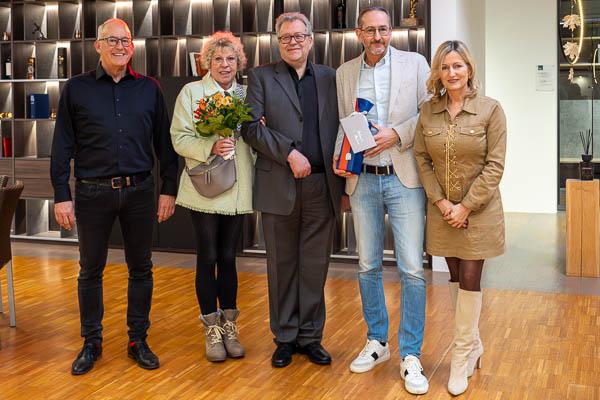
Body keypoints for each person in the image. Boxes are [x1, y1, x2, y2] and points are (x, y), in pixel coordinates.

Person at [50, 18, 178, 375]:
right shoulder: (76, 89)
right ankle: (92, 342)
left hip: (139, 191)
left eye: (126, 41)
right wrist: (62, 194)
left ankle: (138, 339)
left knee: (141, 269)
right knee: (90, 270)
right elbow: (62, 147)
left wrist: (170, 188)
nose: (121, 46)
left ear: (132, 46)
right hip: (91, 193)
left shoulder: (149, 89)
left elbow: (164, 146)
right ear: (98, 45)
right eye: (113, 40)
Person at [332, 6, 431, 395]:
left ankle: (410, 355)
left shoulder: (416, 63)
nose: (378, 37)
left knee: (411, 269)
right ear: (359, 34)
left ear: (392, 31)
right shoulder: (344, 73)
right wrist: (342, 169)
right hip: (363, 183)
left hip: (404, 178)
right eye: (370, 31)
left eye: (384, 29)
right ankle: (377, 342)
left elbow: (428, 113)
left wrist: (398, 135)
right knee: (367, 265)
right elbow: (344, 123)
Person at [241, 12, 343, 368]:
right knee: (281, 265)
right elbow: (250, 128)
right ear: (277, 41)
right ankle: (284, 337)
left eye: (299, 36)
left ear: (311, 40)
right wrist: (288, 152)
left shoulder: (331, 77)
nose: (293, 42)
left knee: (314, 265)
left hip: (322, 185)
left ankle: (311, 336)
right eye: (286, 37)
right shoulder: (260, 77)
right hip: (278, 184)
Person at [413, 40, 506, 396]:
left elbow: (495, 166)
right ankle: (473, 345)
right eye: (445, 67)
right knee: (454, 277)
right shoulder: (427, 112)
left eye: (458, 66)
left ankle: (461, 355)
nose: (451, 73)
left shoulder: (490, 110)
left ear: (469, 69)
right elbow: (422, 159)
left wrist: (465, 206)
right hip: (442, 212)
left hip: (478, 213)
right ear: (437, 73)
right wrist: (441, 203)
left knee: (470, 278)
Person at [170, 31, 252, 362]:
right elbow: (179, 137)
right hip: (204, 186)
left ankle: (229, 324)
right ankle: (211, 328)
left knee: (229, 257)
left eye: (230, 59)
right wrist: (210, 147)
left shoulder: (247, 95)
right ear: (207, 62)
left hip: (238, 187)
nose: (224, 64)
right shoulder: (192, 93)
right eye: (217, 59)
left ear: (239, 62)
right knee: (207, 256)